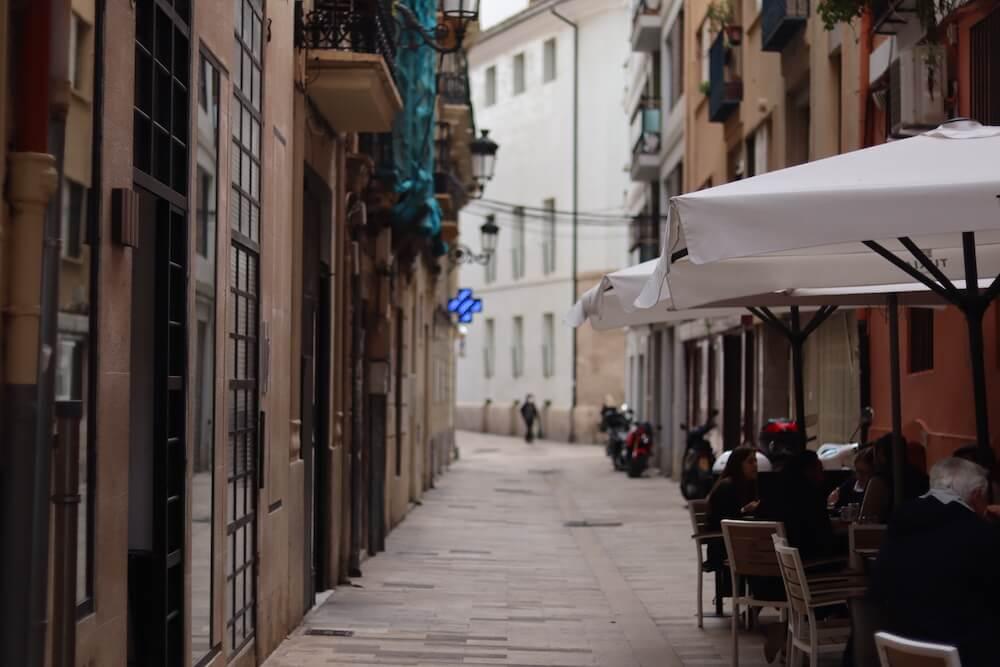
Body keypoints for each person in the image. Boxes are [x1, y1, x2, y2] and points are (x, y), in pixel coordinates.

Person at [870, 457, 1000, 666]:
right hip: (961, 654)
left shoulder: (900, 519)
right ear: (976, 495)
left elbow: (876, 588)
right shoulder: (979, 534)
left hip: (898, 648)